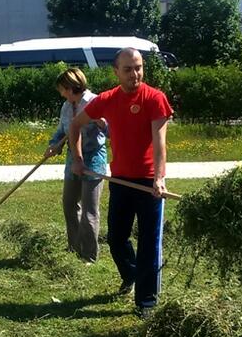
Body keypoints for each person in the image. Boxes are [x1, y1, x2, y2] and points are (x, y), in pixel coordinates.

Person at [68, 49, 174, 318]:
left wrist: (159, 178)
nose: (134, 74)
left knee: (149, 242)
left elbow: (160, 143)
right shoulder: (107, 100)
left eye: (138, 67)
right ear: (116, 72)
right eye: (128, 69)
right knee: (116, 239)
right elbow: (75, 125)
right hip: (120, 180)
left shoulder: (155, 99)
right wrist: (78, 160)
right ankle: (132, 274)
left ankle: (146, 302)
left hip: (150, 182)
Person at [44, 68, 108, 263]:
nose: (61, 93)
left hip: (93, 160)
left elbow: (111, 130)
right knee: (69, 204)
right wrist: (54, 144)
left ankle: (89, 256)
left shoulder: (94, 102)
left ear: (69, 87)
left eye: (62, 89)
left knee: (89, 210)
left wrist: (103, 124)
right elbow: (61, 131)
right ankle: (74, 248)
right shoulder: (66, 106)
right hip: (72, 161)